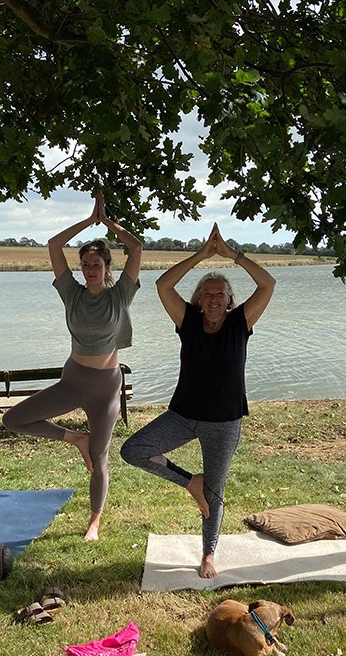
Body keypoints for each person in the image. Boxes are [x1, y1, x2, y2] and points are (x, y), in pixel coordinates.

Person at [121, 225, 275, 578]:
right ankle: (190, 481)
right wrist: (202, 255)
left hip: (224, 422)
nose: (214, 299)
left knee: (215, 491)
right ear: (199, 300)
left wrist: (233, 254)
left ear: (229, 299)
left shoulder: (241, 322)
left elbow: (268, 284)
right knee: (134, 450)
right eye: (207, 294)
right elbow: (163, 285)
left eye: (220, 293)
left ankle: (208, 554)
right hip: (183, 415)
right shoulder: (187, 320)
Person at [3, 191, 141, 541]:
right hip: (73, 380)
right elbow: (53, 245)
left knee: (100, 457)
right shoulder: (72, 293)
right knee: (13, 419)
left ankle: (94, 520)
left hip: (106, 387)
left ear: (107, 267)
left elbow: (136, 249)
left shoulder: (121, 294)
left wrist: (108, 223)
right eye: (86, 264)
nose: (90, 269)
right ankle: (74, 438)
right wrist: (87, 220)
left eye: (97, 264)